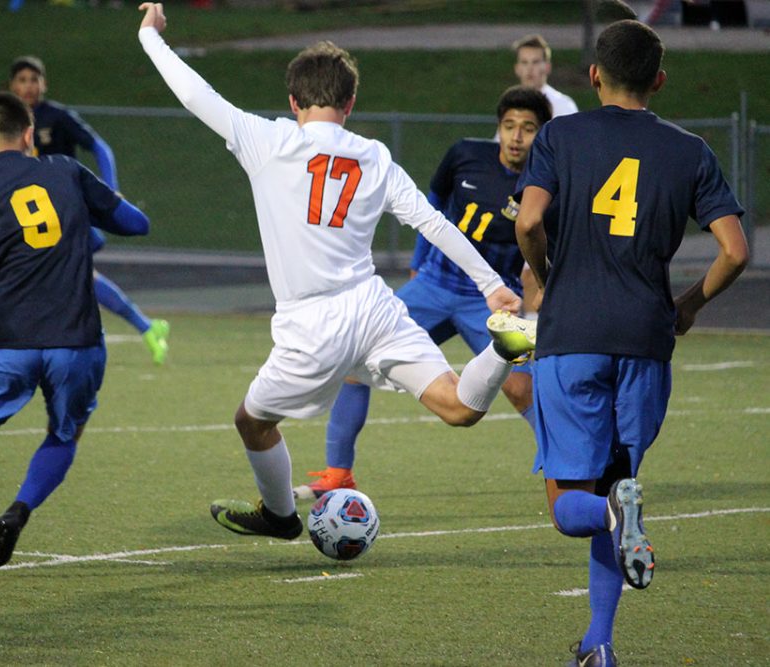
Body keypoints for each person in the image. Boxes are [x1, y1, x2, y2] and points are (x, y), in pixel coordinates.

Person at [137, 2, 536, 540]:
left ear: (293, 101)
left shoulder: (268, 140)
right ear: (350, 103)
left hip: (311, 323)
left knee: (251, 421)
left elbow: (194, 94)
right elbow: (432, 222)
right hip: (373, 308)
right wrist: (492, 286)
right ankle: (501, 348)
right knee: (458, 406)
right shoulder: (373, 154)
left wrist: (150, 37)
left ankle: (280, 515)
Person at [514, 20, 748, 666]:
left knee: (571, 506)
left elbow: (530, 219)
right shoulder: (691, 150)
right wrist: (690, 304)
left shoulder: (560, 135)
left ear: (593, 75)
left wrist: (544, 273)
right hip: (647, 336)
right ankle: (599, 643)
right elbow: (735, 250)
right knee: (620, 485)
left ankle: (616, 525)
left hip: (574, 333)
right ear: (660, 80)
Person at [0, 91, 151, 574]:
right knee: (64, 433)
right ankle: (18, 510)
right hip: (76, 341)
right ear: (28, 135)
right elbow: (136, 224)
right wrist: (101, 201)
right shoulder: (64, 169)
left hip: (8, 344)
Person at [293, 86, 553, 500]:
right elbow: (430, 208)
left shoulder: (543, 184)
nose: (516, 136)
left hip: (484, 302)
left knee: (520, 386)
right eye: (509, 126)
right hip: (433, 284)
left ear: (541, 134)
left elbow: (543, 240)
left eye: (527, 128)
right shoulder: (465, 154)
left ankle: (567, 467)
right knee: (354, 363)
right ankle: (338, 474)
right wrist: (418, 262)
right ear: (498, 129)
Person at [9, 55, 170, 366]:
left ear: (44, 84)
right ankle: (146, 327)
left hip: (64, 214)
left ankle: (132, 330)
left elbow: (100, 147)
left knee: (64, 277)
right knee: (74, 278)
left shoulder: (57, 117)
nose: (28, 86)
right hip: (32, 217)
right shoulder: (8, 122)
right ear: (12, 85)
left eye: (34, 79)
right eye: (22, 80)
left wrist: (110, 188)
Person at [509, 33, 578, 319]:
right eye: (524, 62)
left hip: (549, 204)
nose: (530, 69)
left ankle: (536, 342)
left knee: (534, 274)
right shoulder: (513, 105)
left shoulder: (563, 107)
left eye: (536, 62)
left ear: (547, 67)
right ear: (517, 68)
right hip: (516, 202)